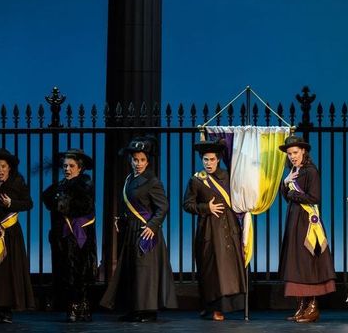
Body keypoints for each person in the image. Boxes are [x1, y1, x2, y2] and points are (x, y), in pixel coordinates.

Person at [100, 136, 178, 322]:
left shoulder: (152, 181)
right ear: (131, 160)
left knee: (145, 271)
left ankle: (148, 311)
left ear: (148, 161)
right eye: (136, 160)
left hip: (145, 231)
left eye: (142, 160)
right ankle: (135, 309)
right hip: (131, 230)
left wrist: (152, 225)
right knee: (133, 271)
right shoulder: (129, 178)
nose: (138, 163)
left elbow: (163, 206)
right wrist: (121, 218)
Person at [181, 139, 246, 321]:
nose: (208, 163)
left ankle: (223, 307)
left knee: (228, 270)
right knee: (210, 270)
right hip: (208, 230)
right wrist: (205, 208)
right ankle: (211, 307)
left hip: (229, 228)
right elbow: (187, 205)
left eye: (211, 159)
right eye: (205, 160)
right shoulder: (196, 180)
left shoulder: (228, 176)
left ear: (218, 159)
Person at [279, 135, 336, 323]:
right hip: (294, 219)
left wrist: (293, 192)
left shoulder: (311, 171)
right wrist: (285, 182)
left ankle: (312, 306)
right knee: (296, 261)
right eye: (289, 154)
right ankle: (302, 305)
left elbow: (314, 198)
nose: (292, 156)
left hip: (306, 222)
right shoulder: (293, 171)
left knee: (307, 260)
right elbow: (287, 197)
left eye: (295, 152)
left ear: (303, 151)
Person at [42, 149, 97, 322]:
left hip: (79, 236)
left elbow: (85, 207)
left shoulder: (85, 184)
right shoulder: (60, 185)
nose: (67, 169)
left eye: (71, 166)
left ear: (80, 168)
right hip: (62, 236)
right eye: (65, 165)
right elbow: (48, 198)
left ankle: (80, 306)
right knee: (65, 271)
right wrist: (59, 201)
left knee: (79, 271)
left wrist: (64, 204)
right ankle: (72, 306)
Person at [0, 148, 35, 323]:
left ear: (9, 167)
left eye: (3, 166)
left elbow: (28, 204)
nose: (0, 170)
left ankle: (7, 310)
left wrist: (11, 203)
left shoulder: (18, 182)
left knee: (8, 270)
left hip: (10, 234)